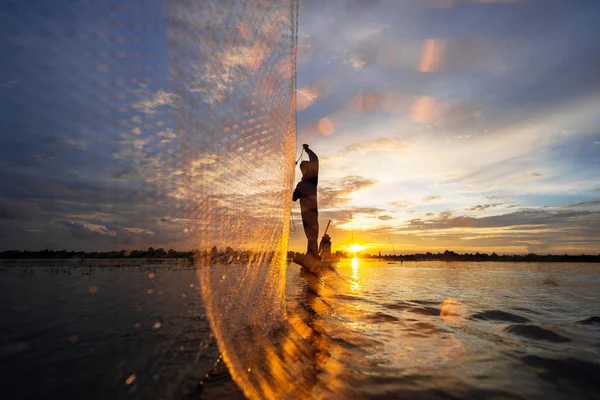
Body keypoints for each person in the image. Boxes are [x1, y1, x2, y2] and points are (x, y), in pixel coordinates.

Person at [293, 144, 319, 258]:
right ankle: (311, 255)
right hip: (305, 213)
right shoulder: (301, 185)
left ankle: (313, 255)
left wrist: (308, 150)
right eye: (302, 169)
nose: (304, 170)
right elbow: (293, 197)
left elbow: (315, 160)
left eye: (305, 168)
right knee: (310, 235)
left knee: (313, 235)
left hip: (312, 212)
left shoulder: (312, 179)